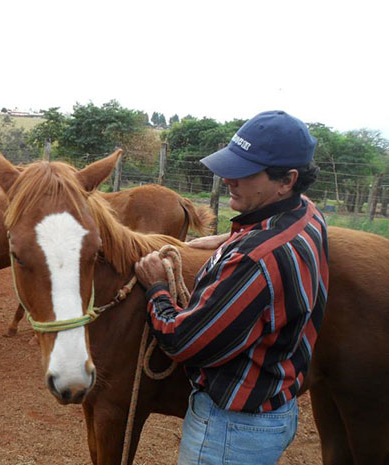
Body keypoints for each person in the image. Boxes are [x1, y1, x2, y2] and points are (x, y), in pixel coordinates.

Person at [135, 110, 329, 465]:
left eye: (245, 172)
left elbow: (185, 343)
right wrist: (229, 238)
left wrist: (157, 289)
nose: (227, 179)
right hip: (277, 404)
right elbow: (280, 231)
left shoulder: (254, 261)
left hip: (232, 430)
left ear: (287, 180)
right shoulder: (307, 215)